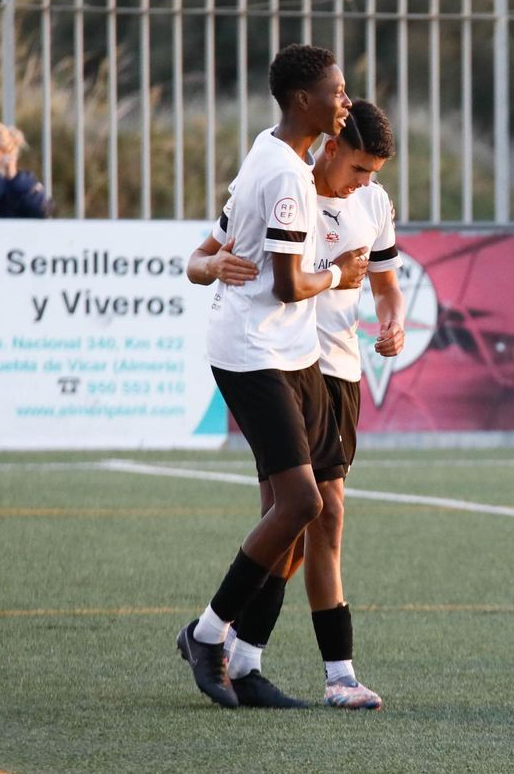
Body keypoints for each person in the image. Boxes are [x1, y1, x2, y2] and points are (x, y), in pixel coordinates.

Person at [188, 99, 404, 710]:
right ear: (331, 147)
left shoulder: (373, 203)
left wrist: (393, 324)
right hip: (280, 362)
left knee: (313, 520)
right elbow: (203, 260)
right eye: (361, 168)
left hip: (335, 373)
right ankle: (277, 659)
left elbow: (387, 286)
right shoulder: (284, 185)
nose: (368, 183)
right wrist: (213, 264)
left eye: (375, 173)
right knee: (298, 512)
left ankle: (248, 657)